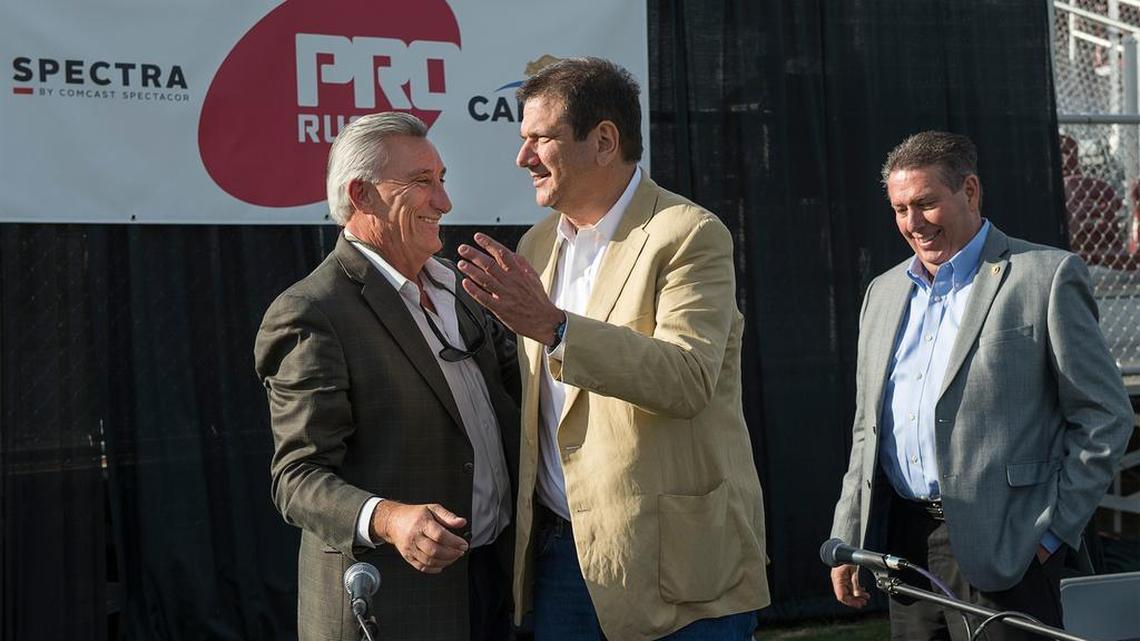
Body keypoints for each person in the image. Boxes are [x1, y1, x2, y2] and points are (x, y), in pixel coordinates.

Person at [456, 57, 769, 641]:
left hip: (674, 565)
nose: (522, 159)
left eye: (539, 140)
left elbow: (688, 379)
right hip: (560, 557)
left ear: (603, 141)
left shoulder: (689, 233)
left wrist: (557, 329)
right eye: (522, 140)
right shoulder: (538, 242)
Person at [829, 131, 1133, 640]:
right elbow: (868, 430)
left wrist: (1050, 534)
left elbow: (1105, 416)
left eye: (926, 203)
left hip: (1009, 547)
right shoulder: (882, 293)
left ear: (970, 191)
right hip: (904, 550)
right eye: (901, 209)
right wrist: (847, 535)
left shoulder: (1045, 277)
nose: (913, 223)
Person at [254, 112, 520, 641]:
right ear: (363, 195)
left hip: (493, 587)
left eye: (442, 180)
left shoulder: (460, 292)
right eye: (423, 183)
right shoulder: (313, 310)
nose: (444, 202)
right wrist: (391, 519)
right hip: (395, 605)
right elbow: (297, 480)